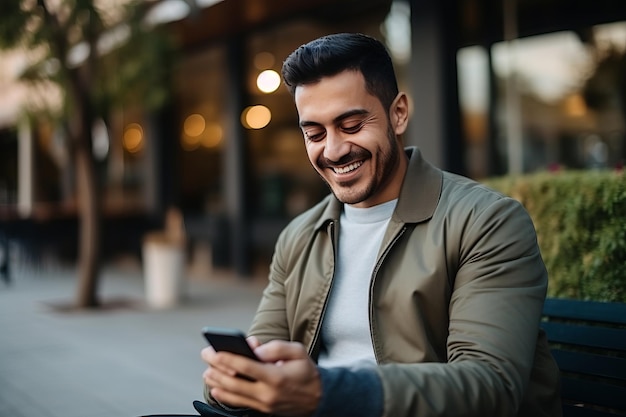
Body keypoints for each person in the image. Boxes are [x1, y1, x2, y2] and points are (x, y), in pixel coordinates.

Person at [200, 32, 561, 417]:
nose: (334, 150)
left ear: (399, 113)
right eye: (315, 134)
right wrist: (230, 382)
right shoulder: (300, 235)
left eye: (352, 125)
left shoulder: (487, 222)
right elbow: (259, 352)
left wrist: (327, 392)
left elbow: (490, 386)